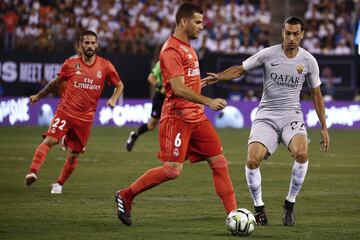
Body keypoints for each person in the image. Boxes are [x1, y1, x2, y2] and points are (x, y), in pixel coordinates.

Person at [115, 2, 237, 226]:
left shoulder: (188, 48)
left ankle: (234, 215)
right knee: (172, 171)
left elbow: (186, 83)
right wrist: (208, 101)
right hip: (177, 117)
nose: (201, 27)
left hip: (196, 117)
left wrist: (201, 83)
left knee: (219, 163)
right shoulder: (171, 50)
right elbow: (178, 89)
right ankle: (126, 195)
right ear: (183, 21)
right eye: (197, 22)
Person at [202, 16, 330, 226]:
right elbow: (241, 69)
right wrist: (220, 76)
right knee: (252, 160)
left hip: (292, 115)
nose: (291, 37)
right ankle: (259, 208)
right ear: (282, 32)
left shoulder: (308, 61)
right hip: (266, 115)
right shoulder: (268, 54)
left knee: (302, 153)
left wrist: (324, 127)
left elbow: (316, 94)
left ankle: (289, 204)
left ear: (302, 35)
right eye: (288, 33)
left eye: (296, 34)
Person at [25, 30, 124, 194]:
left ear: (97, 45)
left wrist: (113, 99)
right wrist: (38, 96)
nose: (90, 46)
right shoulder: (70, 64)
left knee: (74, 155)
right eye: (87, 43)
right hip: (65, 112)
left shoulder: (105, 66)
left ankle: (59, 184)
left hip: (85, 119)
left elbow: (119, 85)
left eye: (93, 43)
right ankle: (32, 173)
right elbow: (55, 83)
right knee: (50, 140)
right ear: (80, 45)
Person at [125, 60, 165, 152]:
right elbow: (150, 77)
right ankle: (134, 136)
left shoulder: (179, 61)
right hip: (161, 96)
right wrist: (160, 86)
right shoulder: (162, 62)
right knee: (151, 126)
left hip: (174, 97)